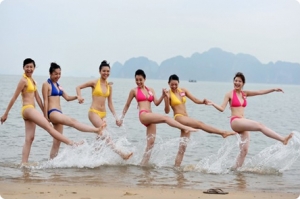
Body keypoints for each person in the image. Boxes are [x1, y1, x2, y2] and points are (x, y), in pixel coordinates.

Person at [0, 58, 80, 164]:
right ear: (23, 68)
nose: (29, 69)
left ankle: (24, 164)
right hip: (27, 109)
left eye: (31, 67)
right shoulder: (23, 80)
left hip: (31, 110)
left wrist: (45, 113)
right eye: (27, 67)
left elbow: (38, 98)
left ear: (34, 68)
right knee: (49, 128)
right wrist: (6, 113)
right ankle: (72, 143)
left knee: (30, 138)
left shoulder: (32, 81)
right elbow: (14, 97)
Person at [207, 72, 293, 169]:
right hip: (235, 121)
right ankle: (283, 139)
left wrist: (273, 89)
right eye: (235, 80)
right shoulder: (229, 94)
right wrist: (213, 104)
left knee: (244, 151)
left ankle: (235, 171)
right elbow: (222, 108)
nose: (237, 83)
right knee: (260, 125)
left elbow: (259, 92)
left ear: (243, 83)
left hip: (242, 122)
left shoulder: (245, 94)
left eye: (239, 81)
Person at [117, 69, 197, 166]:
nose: (138, 82)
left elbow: (156, 103)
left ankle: (143, 165)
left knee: (150, 144)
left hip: (151, 116)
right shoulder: (134, 91)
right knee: (166, 118)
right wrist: (121, 118)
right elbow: (127, 105)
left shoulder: (150, 90)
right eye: (136, 80)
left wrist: (163, 96)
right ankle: (185, 127)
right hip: (143, 114)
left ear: (145, 79)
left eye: (140, 80)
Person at [164, 74, 236, 167]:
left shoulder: (183, 90)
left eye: (175, 84)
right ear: (168, 83)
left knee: (182, 148)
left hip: (186, 118)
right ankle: (223, 133)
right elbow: (167, 111)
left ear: (178, 83)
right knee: (200, 124)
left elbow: (194, 99)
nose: (174, 86)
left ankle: (177, 170)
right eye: (172, 84)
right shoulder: (168, 94)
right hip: (179, 117)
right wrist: (166, 98)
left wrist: (203, 102)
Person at [42, 62, 106, 159]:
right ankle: (96, 130)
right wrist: (46, 117)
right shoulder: (46, 84)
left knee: (56, 143)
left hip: (59, 113)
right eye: (55, 74)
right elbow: (45, 101)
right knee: (73, 121)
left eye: (59, 74)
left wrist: (77, 96)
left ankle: (51, 165)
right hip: (52, 112)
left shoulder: (58, 85)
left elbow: (67, 98)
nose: (57, 76)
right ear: (50, 73)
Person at [76, 60, 132, 160]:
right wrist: (79, 97)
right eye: (104, 71)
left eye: (108, 71)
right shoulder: (94, 82)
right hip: (93, 112)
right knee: (105, 135)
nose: (106, 73)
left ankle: (91, 159)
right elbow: (78, 87)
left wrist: (116, 118)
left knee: (100, 138)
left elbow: (110, 104)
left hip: (103, 115)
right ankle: (121, 154)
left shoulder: (109, 86)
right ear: (99, 71)